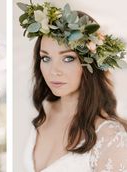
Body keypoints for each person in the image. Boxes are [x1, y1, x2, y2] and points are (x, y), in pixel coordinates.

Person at [18, 2, 127, 172]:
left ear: (90, 63)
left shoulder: (110, 136)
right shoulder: (40, 112)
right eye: (46, 58)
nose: (54, 71)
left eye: (68, 58)